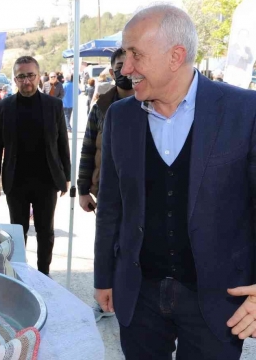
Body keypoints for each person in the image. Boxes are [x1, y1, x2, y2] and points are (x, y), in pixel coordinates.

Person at [95, 5, 256, 359]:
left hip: (217, 302)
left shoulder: (244, 111)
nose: (125, 69)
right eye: (124, 56)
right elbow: (110, 205)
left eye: (135, 55)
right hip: (139, 296)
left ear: (175, 57)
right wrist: (104, 277)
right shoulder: (120, 118)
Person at [0, 56, 70, 275]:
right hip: (16, 181)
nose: (27, 81)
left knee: (46, 232)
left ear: (38, 75)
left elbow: (62, 143)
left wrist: (67, 176)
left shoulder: (54, 105)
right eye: (21, 77)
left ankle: (44, 274)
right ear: (15, 79)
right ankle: (21, 274)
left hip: (47, 180)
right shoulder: (5, 107)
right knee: (18, 232)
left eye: (31, 76)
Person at [77, 48, 134, 323]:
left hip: (136, 195)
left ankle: (130, 297)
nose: (125, 71)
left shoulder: (149, 102)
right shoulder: (101, 106)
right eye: (119, 67)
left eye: (129, 64)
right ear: (112, 72)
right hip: (105, 192)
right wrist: (83, 188)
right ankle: (106, 295)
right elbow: (88, 147)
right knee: (109, 243)